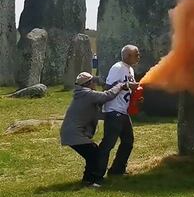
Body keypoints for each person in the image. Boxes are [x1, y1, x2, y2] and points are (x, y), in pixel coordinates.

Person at [59, 72, 129, 188]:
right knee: (94, 154)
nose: (95, 84)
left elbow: (98, 114)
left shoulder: (83, 95)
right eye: (93, 82)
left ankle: (89, 180)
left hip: (71, 133)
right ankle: (89, 182)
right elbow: (107, 96)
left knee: (93, 153)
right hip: (74, 134)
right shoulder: (87, 94)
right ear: (89, 83)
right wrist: (120, 85)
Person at [97, 45, 141, 179]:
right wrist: (126, 85)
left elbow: (126, 90)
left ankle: (117, 170)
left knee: (128, 141)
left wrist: (135, 97)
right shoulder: (118, 68)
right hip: (114, 110)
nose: (139, 56)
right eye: (136, 54)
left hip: (123, 111)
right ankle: (95, 174)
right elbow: (108, 88)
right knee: (108, 144)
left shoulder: (130, 69)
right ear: (128, 56)